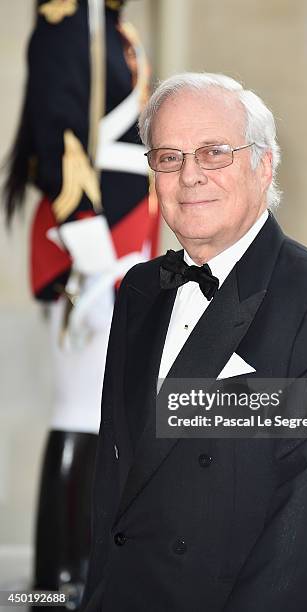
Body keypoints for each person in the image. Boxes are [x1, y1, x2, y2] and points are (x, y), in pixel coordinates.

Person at [82, 72, 307, 612]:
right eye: (168, 157)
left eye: (214, 153)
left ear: (263, 165)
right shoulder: (141, 291)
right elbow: (115, 481)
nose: (189, 175)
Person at [3, 0, 158, 607]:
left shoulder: (116, 25)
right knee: (81, 406)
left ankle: (82, 573)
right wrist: (92, 254)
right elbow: (59, 125)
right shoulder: (68, 17)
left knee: (103, 408)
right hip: (89, 242)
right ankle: (59, 578)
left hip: (126, 237)